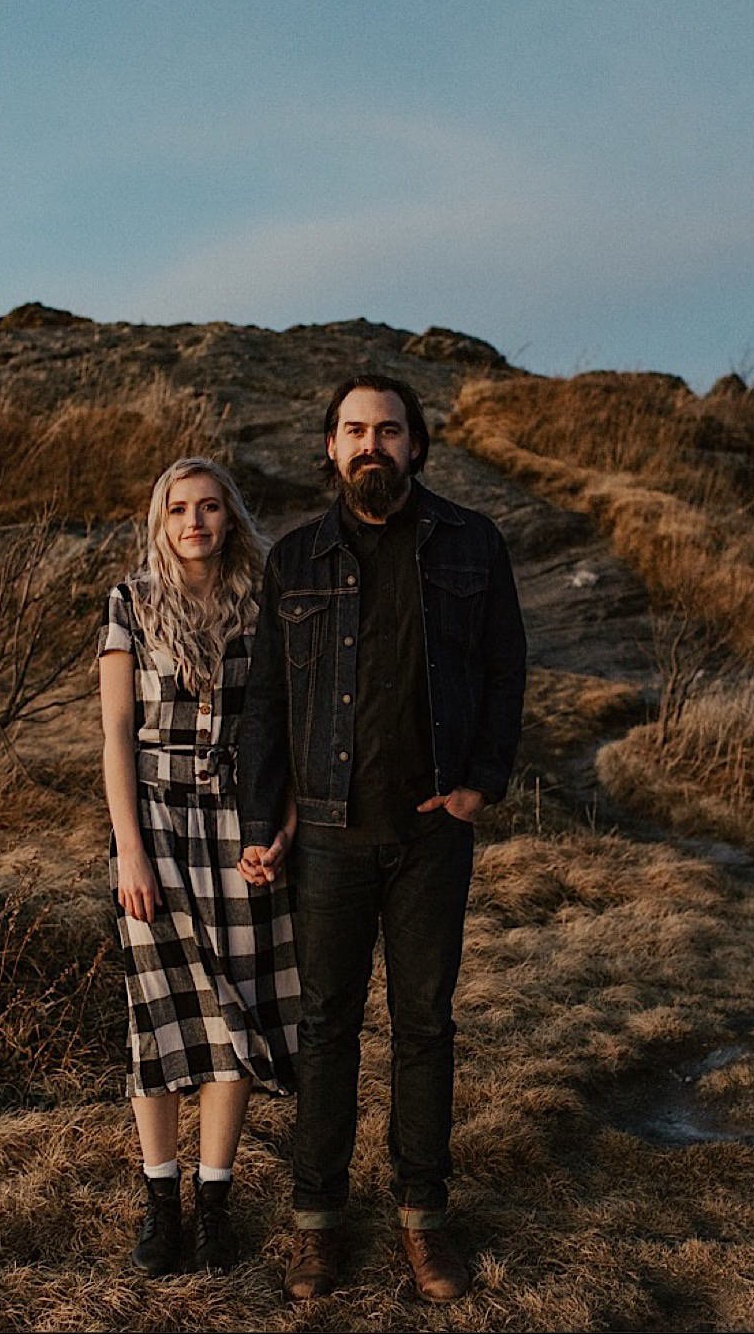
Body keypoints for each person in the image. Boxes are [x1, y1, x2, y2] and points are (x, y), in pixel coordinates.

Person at [238, 373, 526, 1304]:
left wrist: (480, 781)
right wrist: (261, 819)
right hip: (326, 837)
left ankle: (422, 1221)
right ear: (330, 446)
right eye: (355, 430)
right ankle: (318, 1225)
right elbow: (268, 707)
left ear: (417, 445)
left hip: (431, 833)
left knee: (425, 1026)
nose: (372, 444)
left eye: (389, 430)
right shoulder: (296, 559)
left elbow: (505, 668)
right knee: (324, 1029)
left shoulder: (473, 544)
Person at [98, 456, 300, 1277]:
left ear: (231, 516)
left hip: (238, 825)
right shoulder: (131, 603)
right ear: (160, 519)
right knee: (159, 1013)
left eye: (210, 506)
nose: (195, 521)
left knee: (234, 1016)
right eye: (179, 508)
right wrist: (131, 849)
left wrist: (279, 828)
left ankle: (215, 1203)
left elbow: (283, 726)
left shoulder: (263, 603)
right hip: (153, 822)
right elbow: (115, 736)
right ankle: (161, 1202)